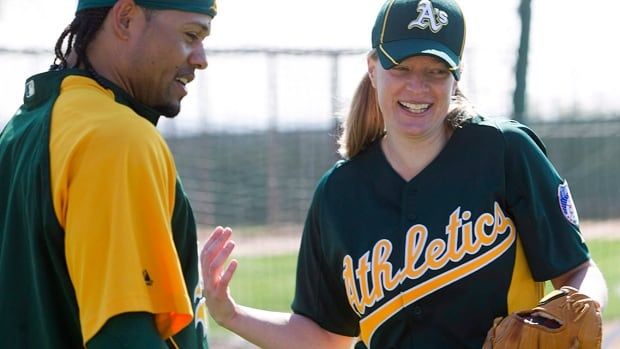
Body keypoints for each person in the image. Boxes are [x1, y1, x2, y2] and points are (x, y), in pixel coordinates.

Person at [200, 0, 608, 348]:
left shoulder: (503, 151)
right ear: (373, 67)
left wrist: (580, 305)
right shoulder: (339, 194)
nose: (418, 86)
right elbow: (326, 337)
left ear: (456, 77)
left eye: (436, 71)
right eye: (402, 67)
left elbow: (578, 269)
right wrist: (231, 314)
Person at [0, 0, 216, 348]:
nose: (201, 58)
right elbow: (125, 336)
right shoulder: (117, 138)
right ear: (126, 18)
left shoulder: (22, 127)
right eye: (191, 35)